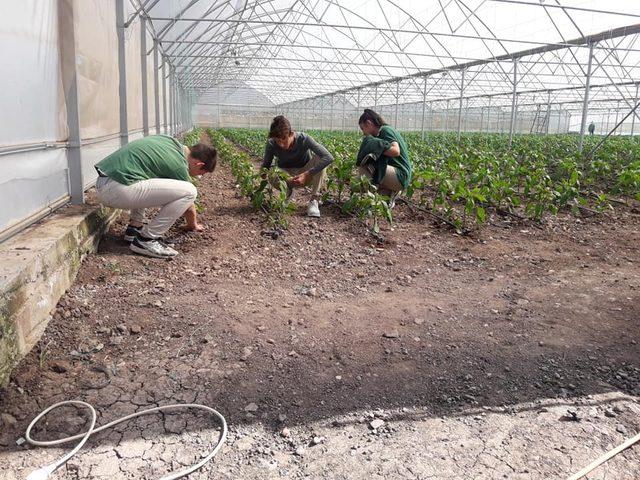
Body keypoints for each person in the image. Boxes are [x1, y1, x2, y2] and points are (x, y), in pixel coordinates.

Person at [94, 135, 217, 258]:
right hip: (115, 189)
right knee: (190, 191)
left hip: (106, 183)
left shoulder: (170, 143)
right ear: (198, 163)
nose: (198, 176)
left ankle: (134, 228)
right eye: (202, 173)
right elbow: (189, 206)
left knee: (148, 175)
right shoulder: (179, 165)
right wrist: (192, 225)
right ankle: (146, 240)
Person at [262, 115, 334, 218]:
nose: (281, 144)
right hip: (286, 176)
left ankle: (314, 200)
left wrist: (307, 174)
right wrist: (261, 184)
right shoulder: (271, 144)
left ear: (291, 134)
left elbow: (329, 157)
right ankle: (287, 193)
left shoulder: (304, 139)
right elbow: (266, 166)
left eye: (284, 140)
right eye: (278, 141)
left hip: (305, 173)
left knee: (320, 158)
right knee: (272, 172)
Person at [357, 109, 412, 205]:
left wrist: (376, 145)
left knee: (364, 169)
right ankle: (388, 193)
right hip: (395, 172)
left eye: (363, 129)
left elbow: (396, 151)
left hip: (400, 175)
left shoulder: (385, 130)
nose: (363, 133)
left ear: (369, 123)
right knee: (381, 203)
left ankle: (392, 189)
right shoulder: (380, 133)